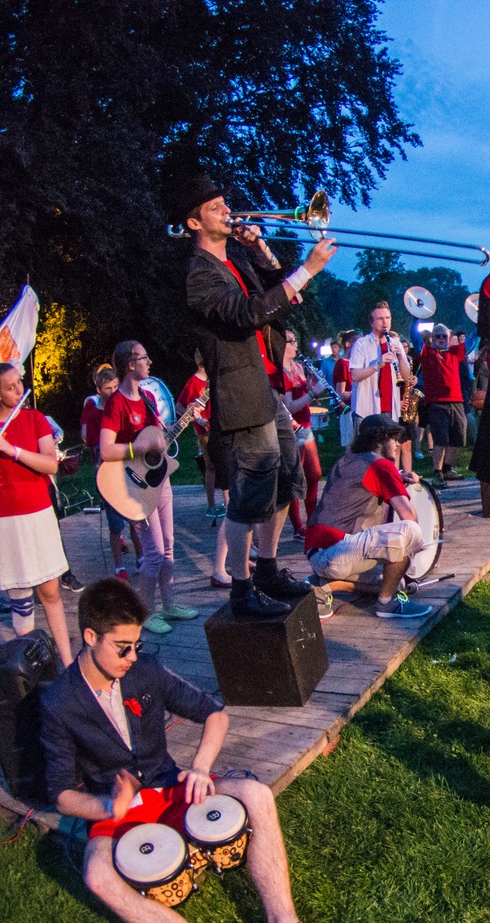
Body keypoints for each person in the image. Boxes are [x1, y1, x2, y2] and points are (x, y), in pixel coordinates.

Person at [40, 579, 367, 923]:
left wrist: (199, 767)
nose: (132, 656)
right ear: (90, 637)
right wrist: (105, 805)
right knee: (96, 876)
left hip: (169, 784)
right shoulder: (58, 701)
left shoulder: (146, 669)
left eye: (137, 645)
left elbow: (214, 713)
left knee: (256, 794)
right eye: (122, 647)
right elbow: (59, 794)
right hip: (116, 809)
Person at [178, 173, 328, 616]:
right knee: (250, 495)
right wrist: (309, 268)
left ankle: (267, 568)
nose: (227, 211)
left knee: (288, 478)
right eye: (215, 208)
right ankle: (241, 590)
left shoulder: (235, 262)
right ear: (194, 223)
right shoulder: (199, 276)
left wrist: (260, 249)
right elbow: (248, 314)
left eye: (225, 203)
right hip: (239, 393)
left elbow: (279, 294)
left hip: (265, 387)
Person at [0, 362, 74, 665]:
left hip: (37, 514)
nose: (18, 390)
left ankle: (67, 663)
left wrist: (12, 450)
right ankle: (33, 669)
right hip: (3, 522)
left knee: (50, 593)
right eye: (10, 387)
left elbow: (50, 464)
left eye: (19, 383)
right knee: (21, 601)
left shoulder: (35, 419)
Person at [97, 341, 198, 635]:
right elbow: (105, 450)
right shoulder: (116, 403)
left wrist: (187, 418)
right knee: (153, 552)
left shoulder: (148, 398)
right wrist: (136, 448)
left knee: (169, 546)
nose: (149, 362)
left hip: (158, 479)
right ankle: (145, 612)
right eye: (144, 358)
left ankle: (169, 605)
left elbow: (158, 441)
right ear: (131, 364)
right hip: (134, 487)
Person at [303, 414, 431, 620]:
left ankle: (324, 584)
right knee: (410, 532)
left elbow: (363, 482)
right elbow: (409, 516)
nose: (397, 444)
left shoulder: (348, 459)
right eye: (393, 438)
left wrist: (397, 477)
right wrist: (416, 546)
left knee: (396, 582)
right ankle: (387, 605)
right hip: (336, 551)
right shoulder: (380, 465)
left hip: (319, 553)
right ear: (380, 440)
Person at [177, 351, 232, 587]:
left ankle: (240, 550)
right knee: (212, 469)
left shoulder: (214, 378)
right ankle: (213, 504)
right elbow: (181, 407)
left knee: (232, 493)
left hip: (221, 431)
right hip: (207, 433)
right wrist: (197, 419)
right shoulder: (195, 381)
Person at [82, 364, 137, 581]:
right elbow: (91, 440)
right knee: (115, 523)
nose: (113, 392)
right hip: (106, 467)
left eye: (116, 387)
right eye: (108, 388)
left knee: (135, 517)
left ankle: (142, 557)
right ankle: (118, 566)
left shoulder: (122, 405)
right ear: (99, 389)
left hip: (126, 463)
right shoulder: (95, 410)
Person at [275, 329, 322, 539]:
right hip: (291, 430)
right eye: (291, 341)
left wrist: (313, 386)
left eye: (295, 340)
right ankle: (298, 527)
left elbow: (305, 397)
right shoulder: (279, 372)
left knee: (315, 474)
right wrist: (312, 393)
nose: (295, 345)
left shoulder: (299, 367)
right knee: (294, 479)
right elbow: (289, 406)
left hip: (306, 427)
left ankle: (312, 521)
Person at [345, 303, 414, 438]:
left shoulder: (396, 343)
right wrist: (378, 365)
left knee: (389, 448)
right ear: (372, 323)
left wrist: (400, 358)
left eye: (388, 318)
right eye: (380, 319)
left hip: (391, 409)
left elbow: (406, 378)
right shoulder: (361, 344)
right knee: (367, 449)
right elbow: (355, 375)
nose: (385, 322)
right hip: (366, 409)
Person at [418, 324, 469, 485]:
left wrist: (478, 321)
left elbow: (472, 341)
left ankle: (447, 469)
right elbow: (416, 338)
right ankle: (437, 473)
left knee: (459, 438)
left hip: (456, 401)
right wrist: (416, 317)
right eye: (437, 336)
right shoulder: (428, 353)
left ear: (449, 337)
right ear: (433, 338)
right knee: (440, 439)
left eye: (444, 336)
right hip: (437, 403)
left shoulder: (454, 352)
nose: (441, 339)